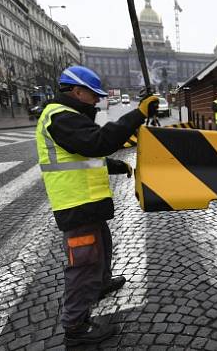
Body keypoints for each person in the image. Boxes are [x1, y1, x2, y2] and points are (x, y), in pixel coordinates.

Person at [35, 65, 159, 346]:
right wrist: (138, 114)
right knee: (83, 264)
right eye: (93, 95)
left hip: (86, 201)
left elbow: (81, 155)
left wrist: (114, 166)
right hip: (76, 204)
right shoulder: (61, 117)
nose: (97, 101)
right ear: (77, 91)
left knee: (102, 244)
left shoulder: (68, 116)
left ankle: (101, 284)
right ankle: (76, 327)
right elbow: (97, 142)